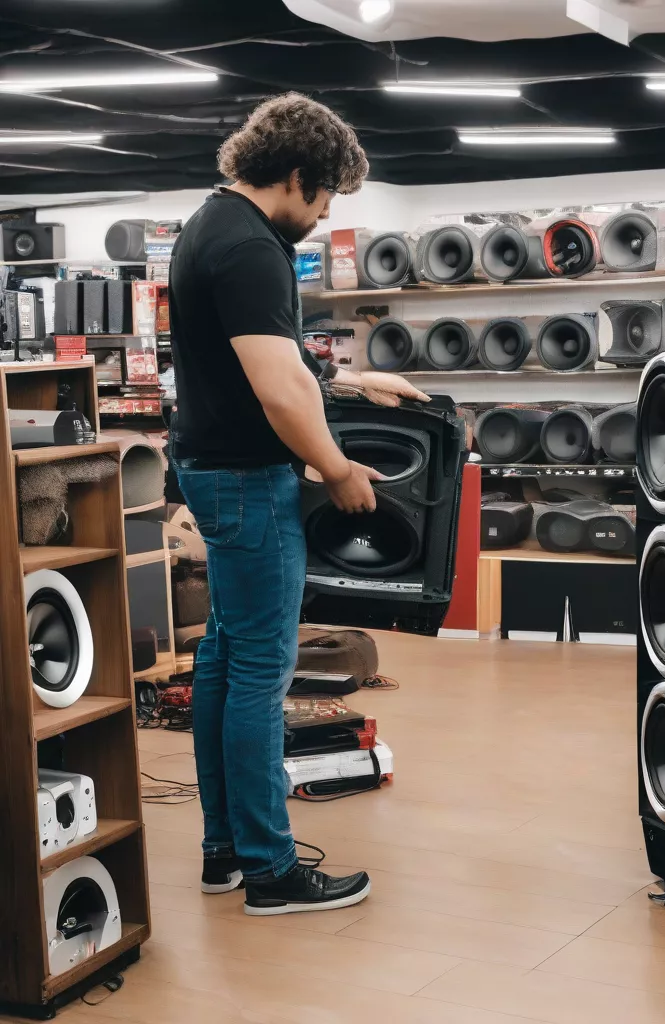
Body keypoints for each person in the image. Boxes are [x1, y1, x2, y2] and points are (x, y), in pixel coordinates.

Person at [168, 92, 428, 916]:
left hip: (214, 470)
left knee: (222, 660)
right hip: (248, 481)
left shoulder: (211, 224)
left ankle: (225, 853)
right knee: (257, 674)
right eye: (322, 200)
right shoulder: (253, 246)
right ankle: (271, 870)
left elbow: (262, 361)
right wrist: (337, 466)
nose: (320, 218)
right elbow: (278, 388)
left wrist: (353, 380)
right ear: (295, 175)